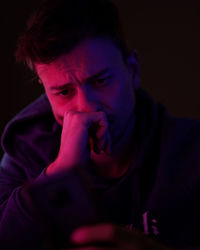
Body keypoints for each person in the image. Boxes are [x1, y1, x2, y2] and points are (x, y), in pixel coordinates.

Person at [0, 0, 199, 249]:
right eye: (63, 92)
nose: (86, 107)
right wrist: (60, 172)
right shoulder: (22, 157)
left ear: (133, 71)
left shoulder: (192, 150)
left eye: (101, 81)